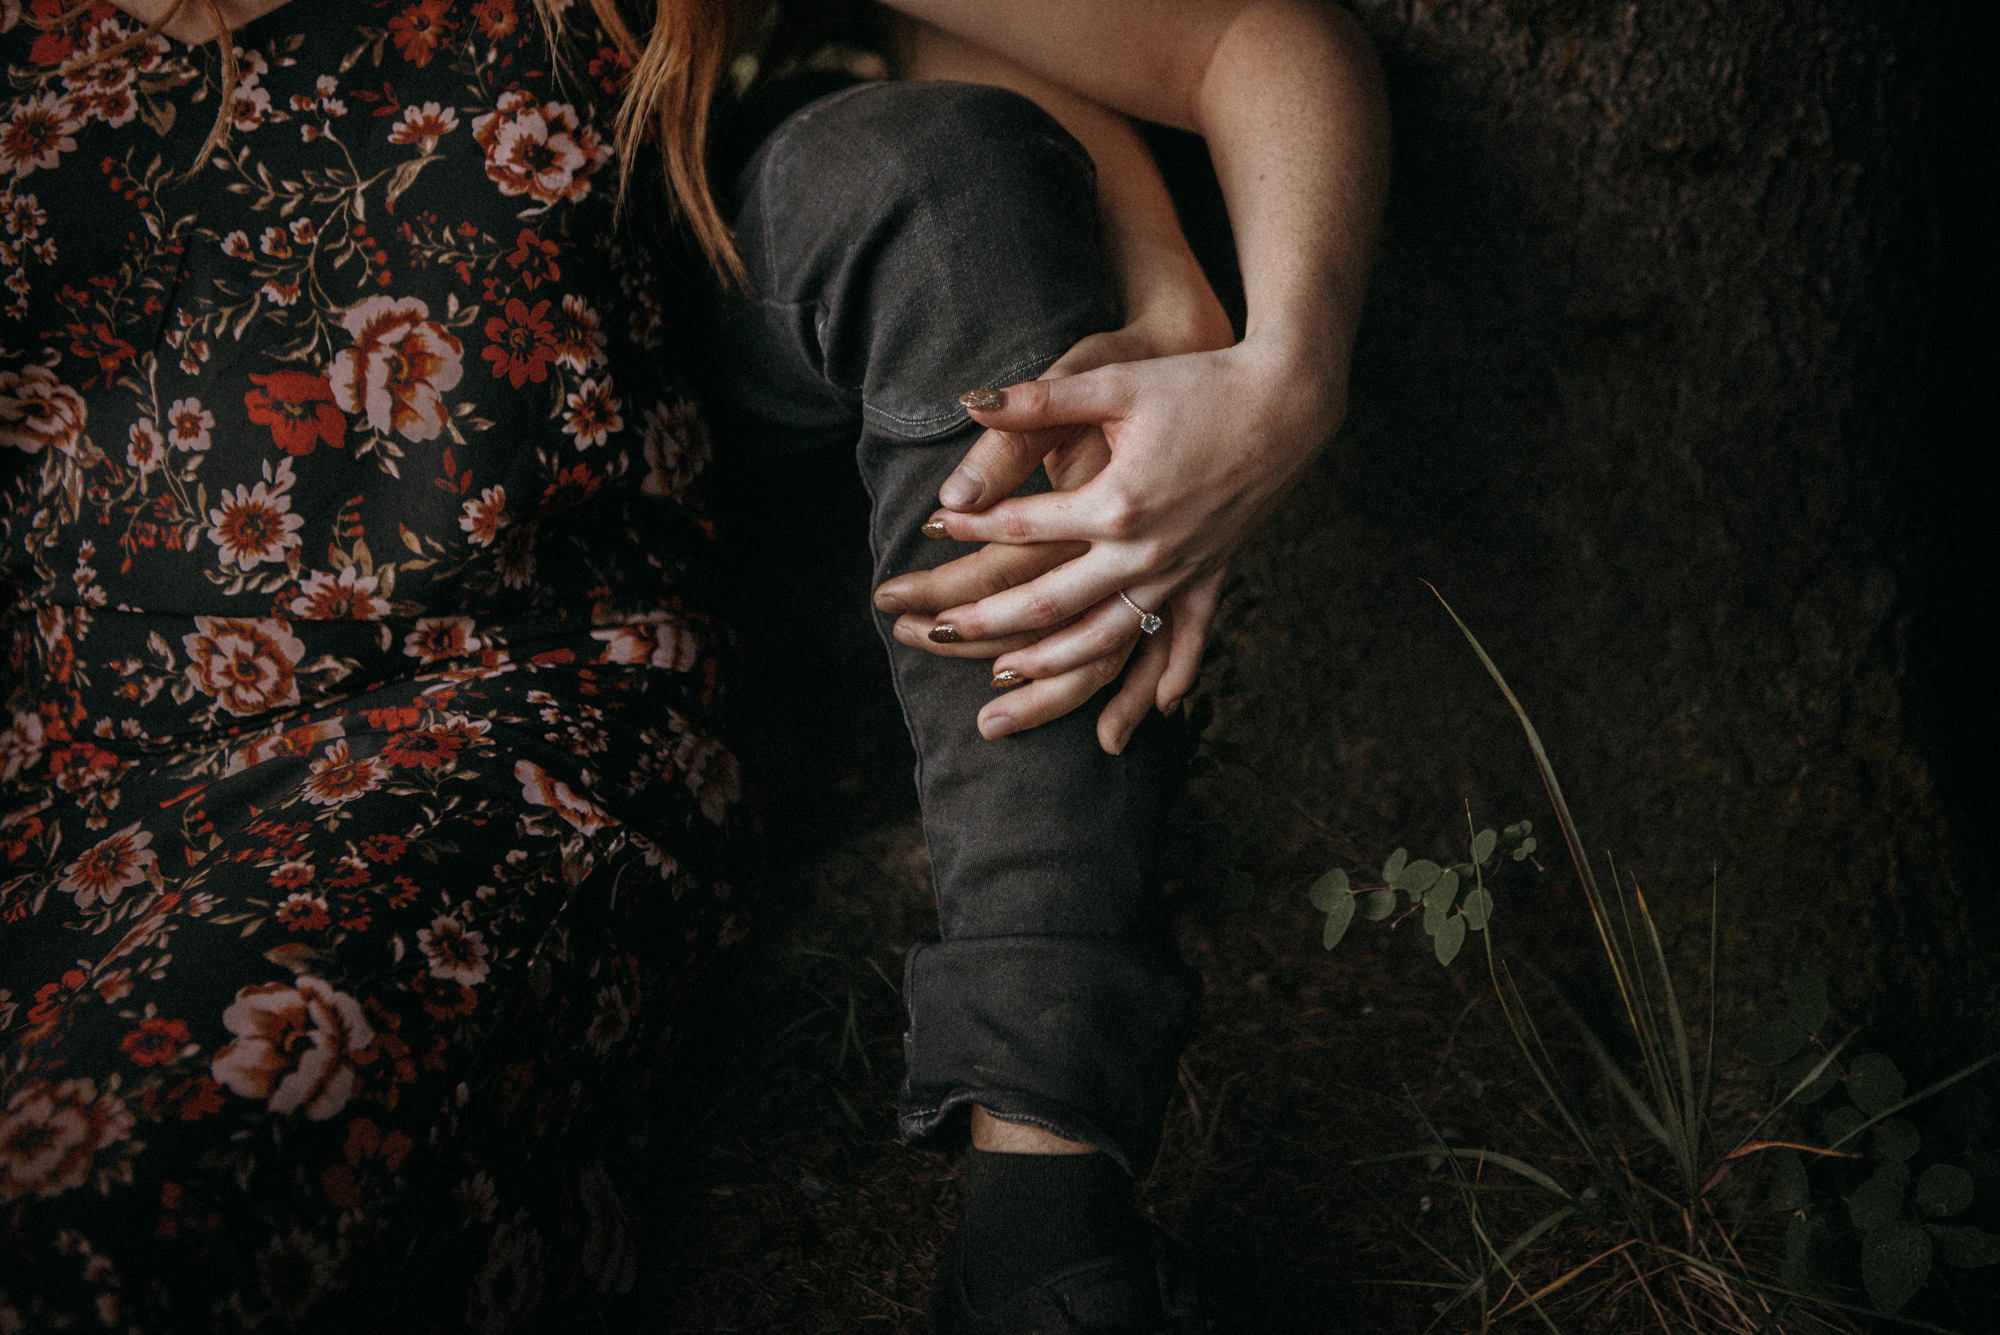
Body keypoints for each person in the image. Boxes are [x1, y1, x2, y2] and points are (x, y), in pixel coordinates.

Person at [0, 1, 1385, 1331]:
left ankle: (1044, 1231)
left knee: (122, 1196)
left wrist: (1277, 379)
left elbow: (1242, 38)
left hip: (481, 718)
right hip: (58, 770)